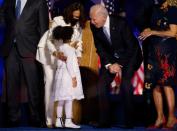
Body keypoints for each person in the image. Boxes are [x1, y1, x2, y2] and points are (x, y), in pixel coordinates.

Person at [89, 4, 142, 128]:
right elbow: (100, 48)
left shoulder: (121, 23)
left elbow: (131, 48)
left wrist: (119, 64)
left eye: (93, 19)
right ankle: (104, 121)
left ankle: (129, 122)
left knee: (125, 84)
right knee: (101, 84)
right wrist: (108, 65)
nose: (91, 21)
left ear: (102, 17)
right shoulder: (94, 26)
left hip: (130, 56)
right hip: (111, 58)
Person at [36, 2, 86, 127]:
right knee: (51, 83)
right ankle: (49, 119)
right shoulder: (58, 20)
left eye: (78, 17)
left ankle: (63, 119)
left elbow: (78, 42)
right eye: (74, 16)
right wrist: (56, 53)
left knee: (64, 87)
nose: (76, 19)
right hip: (50, 55)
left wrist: (78, 55)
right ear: (69, 13)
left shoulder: (78, 24)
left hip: (66, 56)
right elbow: (50, 41)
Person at [1, 0, 49, 127]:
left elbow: (44, 29)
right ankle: (13, 118)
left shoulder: (39, 2)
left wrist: (42, 51)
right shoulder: (8, 2)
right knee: (11, 85)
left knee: (33, 85)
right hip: (10, 48)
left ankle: (36, 118)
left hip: (30, 48)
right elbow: (2, 20)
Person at [139, 0, 177, 129]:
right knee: (155, 86)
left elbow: (173, 32)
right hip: (153, 50)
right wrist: (148, 30)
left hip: (167, 52)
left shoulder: (173, 8)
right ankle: (160, 117)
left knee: (166, 84)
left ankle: (172, 117)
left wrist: (153, 32)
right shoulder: (154, 7)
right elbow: (152, 26)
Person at [51, 26, 84, 129]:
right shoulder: (69, 49)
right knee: (69, 99)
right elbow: (70, 64)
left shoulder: (60, 48)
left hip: (60, 76)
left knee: (61, 99)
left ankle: (58, 120)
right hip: (67, 76)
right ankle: (68, 121)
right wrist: (74, 78)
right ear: (70, 37)